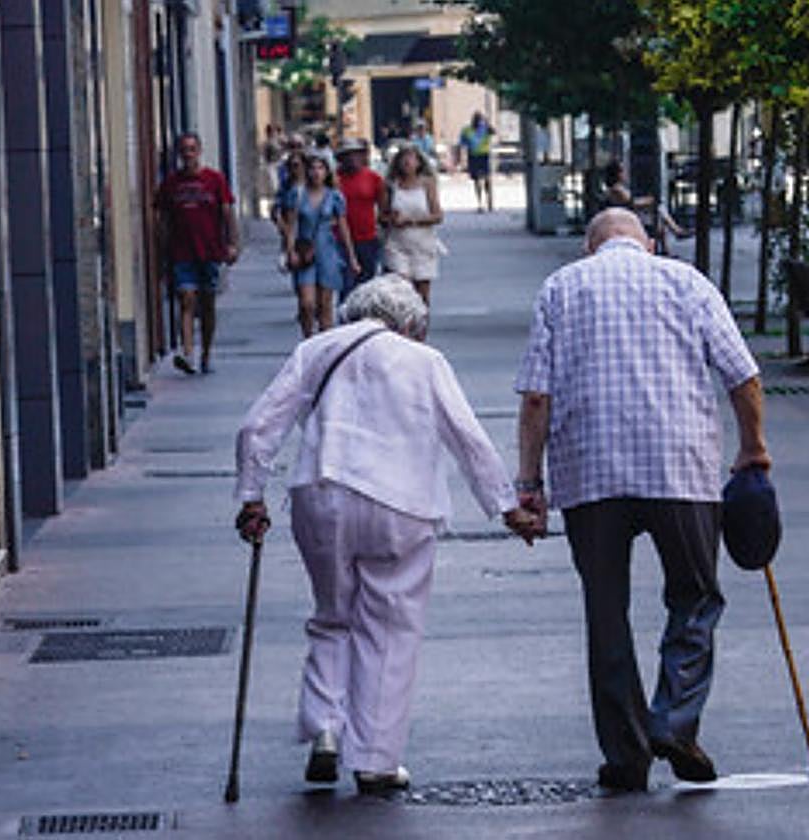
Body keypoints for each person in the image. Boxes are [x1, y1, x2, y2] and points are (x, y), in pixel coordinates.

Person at [233, 276, 540, 795]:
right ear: (410, 324)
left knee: (333, 616)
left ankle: (326, 727)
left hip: (321, 493)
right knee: (389, 627)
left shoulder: (315, 349)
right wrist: (506, 507)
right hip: (400, 503)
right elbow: (466, 437)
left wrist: (251, 496)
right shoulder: (425, 361)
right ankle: (374, 759)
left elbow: (258, 426)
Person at [512, 208, 770, 792]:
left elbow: (535, 398)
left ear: (589, 248)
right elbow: (742, 376)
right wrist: (753, 448)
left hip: (589, 473)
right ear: (649, 244)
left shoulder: (560, 288)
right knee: (696, 595)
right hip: (681, 467)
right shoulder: (687, 282)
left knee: (606, 614)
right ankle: (674, 720)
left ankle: (627, 757)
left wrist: (529, 485)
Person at [155, 132, 239, 375]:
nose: (188, 155)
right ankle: (188, 352)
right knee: (186, 299)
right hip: (182, 252)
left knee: (208, 304)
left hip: (210, 251)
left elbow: (227, 213)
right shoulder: (171, 184)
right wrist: (162, 251)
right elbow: (162, 219)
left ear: (199, 151)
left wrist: (232, 243)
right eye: (184, 150)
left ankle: (206, 353)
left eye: (192, 149)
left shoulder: (214, 180)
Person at [281, 154, 359, 337]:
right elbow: (291, 225)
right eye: (312, 168)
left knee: (325, 306)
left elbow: (343, 227)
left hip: (327, 250)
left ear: (326, 172)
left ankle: (325, 346)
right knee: (307, 303)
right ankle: (308, 338)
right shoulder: (298, 194)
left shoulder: (334, 196)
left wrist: (351, 257)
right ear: (306, 171)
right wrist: (290, 250)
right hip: (305, 250)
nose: (316, 173)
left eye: (320, 168)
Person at [383, 143, 444, 306]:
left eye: (411, 158)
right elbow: (382, 215)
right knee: (402, 292)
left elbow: (438, 216)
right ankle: (403, 329)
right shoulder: (391, 185)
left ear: (418, 162)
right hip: (397, 245)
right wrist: (391, 219)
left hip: (422, 245)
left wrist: (412, 221)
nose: (407, 162)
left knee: (422, 296)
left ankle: (420, 329)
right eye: (403, 158)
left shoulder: (427, 184)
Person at [601, 160, 691, 255]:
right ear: (617, 174)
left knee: (659, 215)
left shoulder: (618, 188)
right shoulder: (617, 189)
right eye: (622, 171)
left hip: (630, 213)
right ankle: (675, 231)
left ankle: (670, 241)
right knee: (658, 210)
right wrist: (649, 201)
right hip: (628, 216)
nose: (625, 174)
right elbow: (632, 204)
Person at [335, 138, 388, 296]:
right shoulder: (334, 179)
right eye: (348, 155)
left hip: (368, 238)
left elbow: (383, 208)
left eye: (356, 154)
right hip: (340, 239)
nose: (352, 159)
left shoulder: (374, 178)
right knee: (346, 283)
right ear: (341, 158)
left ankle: (362, 317)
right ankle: (346, 316)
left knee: (366, 283)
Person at [458, 111, 494, 212]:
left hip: (484, 155)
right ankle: (480, 202)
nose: (478, 122)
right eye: (476, 119)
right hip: (473, 156)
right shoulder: (466, 130)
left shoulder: (485, 128)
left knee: (487, 178)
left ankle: (489, 199)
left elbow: (493, 132)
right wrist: (462, 158)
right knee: (477, 180)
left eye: (479, 119)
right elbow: (462, 143)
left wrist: (487, 123)